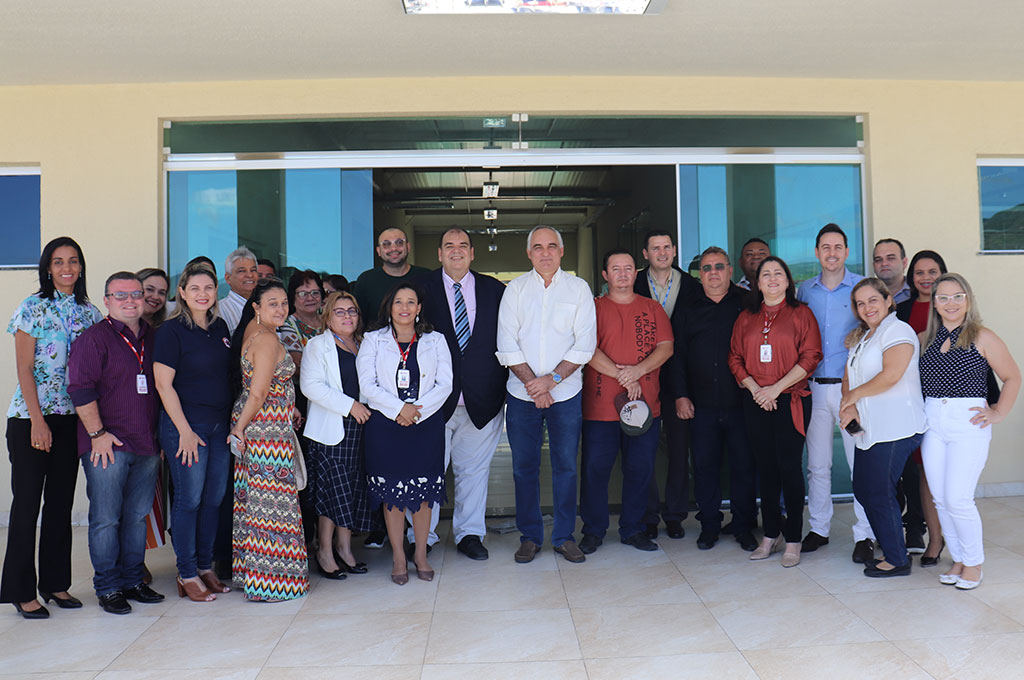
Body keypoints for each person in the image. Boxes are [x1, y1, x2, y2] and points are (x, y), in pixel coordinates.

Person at [0, 237, 102, 619]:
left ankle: (55, 583)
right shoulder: (32, 309)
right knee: (27, 505)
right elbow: (24, 369)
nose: (66, 268)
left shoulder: (89, 313)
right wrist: (37, 421)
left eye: (73, 261)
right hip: (31, 419)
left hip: (71, 419)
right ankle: (20, 590)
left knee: (59, 503)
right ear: (47, 267)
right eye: (58, 262)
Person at [497, 226, 597, 564]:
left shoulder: (578, 289)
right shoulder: (515, 290)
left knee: (566, 467)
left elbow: (585, 344)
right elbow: (506, 345)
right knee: (524, 468)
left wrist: (550, 381)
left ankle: (564, 537)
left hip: (565, 394)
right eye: (537, 247)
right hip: (522, 395)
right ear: (528, 253)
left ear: (562, 251)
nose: (545, 253)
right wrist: (533, 385)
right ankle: (530, 537)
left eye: (551, 246)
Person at [68, 272, 165, 613]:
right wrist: (97, 434)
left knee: (136, 517)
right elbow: (80, 390)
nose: (129, 300)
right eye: (119, 295)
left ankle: (133, 580)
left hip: (147, 444)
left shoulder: (154, 338)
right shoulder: (94, 339)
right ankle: (108, 587)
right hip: (107, 445)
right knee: (107, 518)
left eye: (135, 294)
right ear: (106, 300)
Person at [919, 273, 1020, 590]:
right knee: (940, 499)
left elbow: (1013, 377)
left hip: (968, 425)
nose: (951, 303)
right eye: (944, 297)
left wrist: (998, 412)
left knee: (958, 498)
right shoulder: (926, 339)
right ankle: (959, 558)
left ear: (968, 299)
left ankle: (974, 563)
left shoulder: (982, 337)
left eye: (957, 296)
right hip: (933, 423)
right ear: (935, 302)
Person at [416, 228, 507, 560]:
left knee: (474, 472)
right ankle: (421, 536)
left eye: (463, 246)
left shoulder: (495, 289)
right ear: (439, 254)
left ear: (472, 253)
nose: (456, 251)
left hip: (483, 399)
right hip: (433, 402)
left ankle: (469, 534)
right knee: (428, 470)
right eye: (449, 246)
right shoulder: (420, 289)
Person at [356, 284, 452, 585]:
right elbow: (367, 386)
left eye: (411, 301)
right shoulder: (373, 340)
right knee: (393, 496)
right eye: (398, 301)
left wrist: (416, 411)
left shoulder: (435, 340)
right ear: (389, 306)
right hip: (386, 425)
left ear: (419, 307)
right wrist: (399, 409)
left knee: (423, 496)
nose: (405, 307)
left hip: (425, 424)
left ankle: (420, 553)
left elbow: (445, 384)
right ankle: (399, 556)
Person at [729, 256, 822, 568]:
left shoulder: (801, 314)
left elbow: (811, 356)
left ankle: (793, 538)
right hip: (756, 400)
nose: (771, 279)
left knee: (789, 469)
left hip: (790, 399)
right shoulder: (746, 316)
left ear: (787, 280)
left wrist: (775, 389)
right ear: (757, 282)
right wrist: (757, 390)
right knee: (765, 470)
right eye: (765, 274)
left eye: (777, 274)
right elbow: (735, 357)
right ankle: (771, 533)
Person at [579, 249, 673, 554]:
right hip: (600, 407)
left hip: (645, 406)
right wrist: (625, 378)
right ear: (605, 275)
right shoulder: (592, 308)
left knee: (640, 468)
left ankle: (633, 529)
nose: (622, 273)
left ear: (636, 273)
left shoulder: (653, 308)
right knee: (595, 470)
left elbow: (666, 347)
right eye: (615, 268)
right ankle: (593, 530)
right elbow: (587, 350)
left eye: (628, 268)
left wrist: (637, 372)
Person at [153, 261, 233, 603]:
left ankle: (204, 566)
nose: (203, 294)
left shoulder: (220, 327)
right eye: (195, 288)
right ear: (182, 293)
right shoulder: (170, 332)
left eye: (209, 288)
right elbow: (163, 384)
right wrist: (183, 430)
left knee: (214, 500)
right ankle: (186, 572)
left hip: (219, 427)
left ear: (217, 293)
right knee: (190, 500)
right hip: (187, 428)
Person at [797, 223, 876, 563]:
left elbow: (877, 329)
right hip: (813, 389)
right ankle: (819, 528)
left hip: (851, 392)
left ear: (846, 251)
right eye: (825, 247)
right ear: (817, 253)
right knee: (818, 465)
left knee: (860, 463)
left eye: (838, 247)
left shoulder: (862, 288)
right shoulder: (803, 291)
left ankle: (865, 534)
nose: (831, 253)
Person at [838, 278, 927, 577]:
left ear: (888, 300)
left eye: (872, 300)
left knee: (877, 490)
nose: (867, 308)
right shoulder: (865, 336)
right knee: (864, 488)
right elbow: (850, 376)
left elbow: (891, 375)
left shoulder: (897, 330)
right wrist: (848, 405)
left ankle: (897, 559)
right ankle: (893, 550)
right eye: (860, 304)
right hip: (869, 427)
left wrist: (852, 397)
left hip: (897, 426)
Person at [671, 247, 758, 552]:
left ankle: (744, 525)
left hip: (741, 404)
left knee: (743, 467)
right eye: (706, 268)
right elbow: (677, 357)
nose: (713, 273)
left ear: (730, 270)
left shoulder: (747, 304)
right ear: (700, 274)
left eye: (719, 266)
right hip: (701, 404)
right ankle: (709, 524)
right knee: (705, 467)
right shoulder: (687, 308)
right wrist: (681, 396)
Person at [229, 278, 310, 601]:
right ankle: (274, 583)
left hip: (268, 423)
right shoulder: (265, 340)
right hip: (265, 431)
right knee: (273, 506)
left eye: (283, 303)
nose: (281, 309)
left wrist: (286, 407)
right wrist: (240, 428)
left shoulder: (257, 331)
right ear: (257, 308)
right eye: (272, 303)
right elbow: (259, 391)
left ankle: (257, 576)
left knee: (258, 503)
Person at [300, 291, 374, 577]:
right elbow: (311, 386)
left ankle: (345, 548)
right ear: (328, 318)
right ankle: (325, 551)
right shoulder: (318, 345)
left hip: (362, 428)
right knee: (331, 493)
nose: (347, 316)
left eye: (352, 311)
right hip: (332, 429)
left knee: (352, 489)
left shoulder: (365, 343)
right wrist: (350, 406)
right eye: (339, 312)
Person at [634, 229, 700, 539]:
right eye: (655, 248)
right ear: (645, 254)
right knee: (642, 447)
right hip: (641, 378)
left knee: (678, 449)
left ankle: (674, 514)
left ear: (674, 251)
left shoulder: (692, 287)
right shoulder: (631, 283)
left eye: (667, 247)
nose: (662, 252)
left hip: (680, 380)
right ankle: (648, 516)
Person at [896, 250, 948, 564]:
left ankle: (956, 539)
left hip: (951, 401)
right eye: (919, 273)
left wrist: (991, 400)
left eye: (932, 271)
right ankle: (935, 540)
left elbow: (977, 353)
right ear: (911, 278)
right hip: (914, 401)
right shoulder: (901, 310)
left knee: (949, 477)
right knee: (924, 475)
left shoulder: (954, 306)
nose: (926, 278)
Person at [136, 267, 171, 573]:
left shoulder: (161, 334)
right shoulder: (113, 329)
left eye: (162, 292)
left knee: (146, 499)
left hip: (152, 424)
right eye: (150, 289)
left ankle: (137, 562)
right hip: (119, 427)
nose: (156, 297)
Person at [354, 228, 430, 324]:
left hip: (423, 338)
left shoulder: (427, 277)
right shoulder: (366, 280)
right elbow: (359, 322)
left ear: (408, 246)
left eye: (399, 243)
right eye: (386, 244)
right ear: (378, 251)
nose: (393, 248)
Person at [219, 246, 258, 334]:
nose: (249, 275)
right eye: (241, 271)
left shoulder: (265, 306)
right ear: (228, 278)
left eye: (253, 270)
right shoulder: (219, 311)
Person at [872, 238, 911, 304]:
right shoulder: (866, 294)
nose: (884, 263)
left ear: (904, 263)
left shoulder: (918, 292)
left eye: (890, 258)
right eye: (878, 260)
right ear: (873, 265)